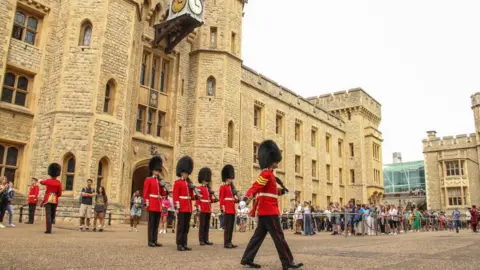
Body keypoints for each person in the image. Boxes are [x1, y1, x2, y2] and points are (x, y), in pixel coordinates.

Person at [241, 140, 303, 269]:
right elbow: (256, 187)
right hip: (270, 212)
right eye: (275, 160)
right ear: (270, 160)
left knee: (257, 237)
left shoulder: (271, 176)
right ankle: (287, 262)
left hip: (265, 212)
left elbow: (270, 192)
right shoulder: (266, 174)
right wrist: (246, 198)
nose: (277, 163)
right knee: (279, 237)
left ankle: (247, 258)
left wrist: (281, 191)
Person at [143, 155, 167, 247]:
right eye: (156, 170)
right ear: (152, 170)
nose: (157, 172)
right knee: (151, 223)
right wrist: (147, 203)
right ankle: (150, 241)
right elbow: (146, 193)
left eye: (158, 170)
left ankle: (155, 240)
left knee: (156, 223)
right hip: (152, 203)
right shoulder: (148, 180)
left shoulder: (159, 181)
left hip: (158, 204)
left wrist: (163, 187)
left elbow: (163, 194)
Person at [173, 156, 195, 251]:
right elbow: (176, 196)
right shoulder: (177, 182)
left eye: (187, 173)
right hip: (182, 207)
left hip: (188, 207)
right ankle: (179, 243)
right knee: (181, 226)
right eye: (185, 173)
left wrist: (197, 196)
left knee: (186, 227)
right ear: (181, 172)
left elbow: (191, 196)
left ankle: (184, 243)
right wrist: (177, 207)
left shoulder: (189, 184)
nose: (186, 174)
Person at [196, 167, 218, 245]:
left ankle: (206, 239)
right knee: (202, 225)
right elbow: (198, 199)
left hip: (208, 209)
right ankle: (201, 239)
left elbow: (210, 200)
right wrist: (198, 208)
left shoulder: (209, 189)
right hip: (202, 208)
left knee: (207, 225)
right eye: (205, 180)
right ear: (202, 180)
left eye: (207, 180)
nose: (206, 181)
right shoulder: (199, 188)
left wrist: (215, 200)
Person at [219, 164, 239, 249]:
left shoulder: (231, 188)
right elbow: (221, 198)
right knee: (227, 227)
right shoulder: (223, 187)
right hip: (227, 209)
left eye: (231, 178)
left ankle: (230, 241)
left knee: (231, 227)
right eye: (230, 178)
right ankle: (226, 243)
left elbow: (233, 199)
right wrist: (222, 208)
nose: (231, 179)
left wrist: (237, 199)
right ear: (226, 178)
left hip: (232, 209)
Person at [40, 163, 62, 234]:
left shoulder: (48, 181)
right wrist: (55, 195)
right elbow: (60, 193)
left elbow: (42, 182)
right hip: (55, 199)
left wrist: (39, 180)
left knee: (48, 214)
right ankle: (52, 220)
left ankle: (48, 229)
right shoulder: (58, 183)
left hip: (47, 199)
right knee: (52, 213)